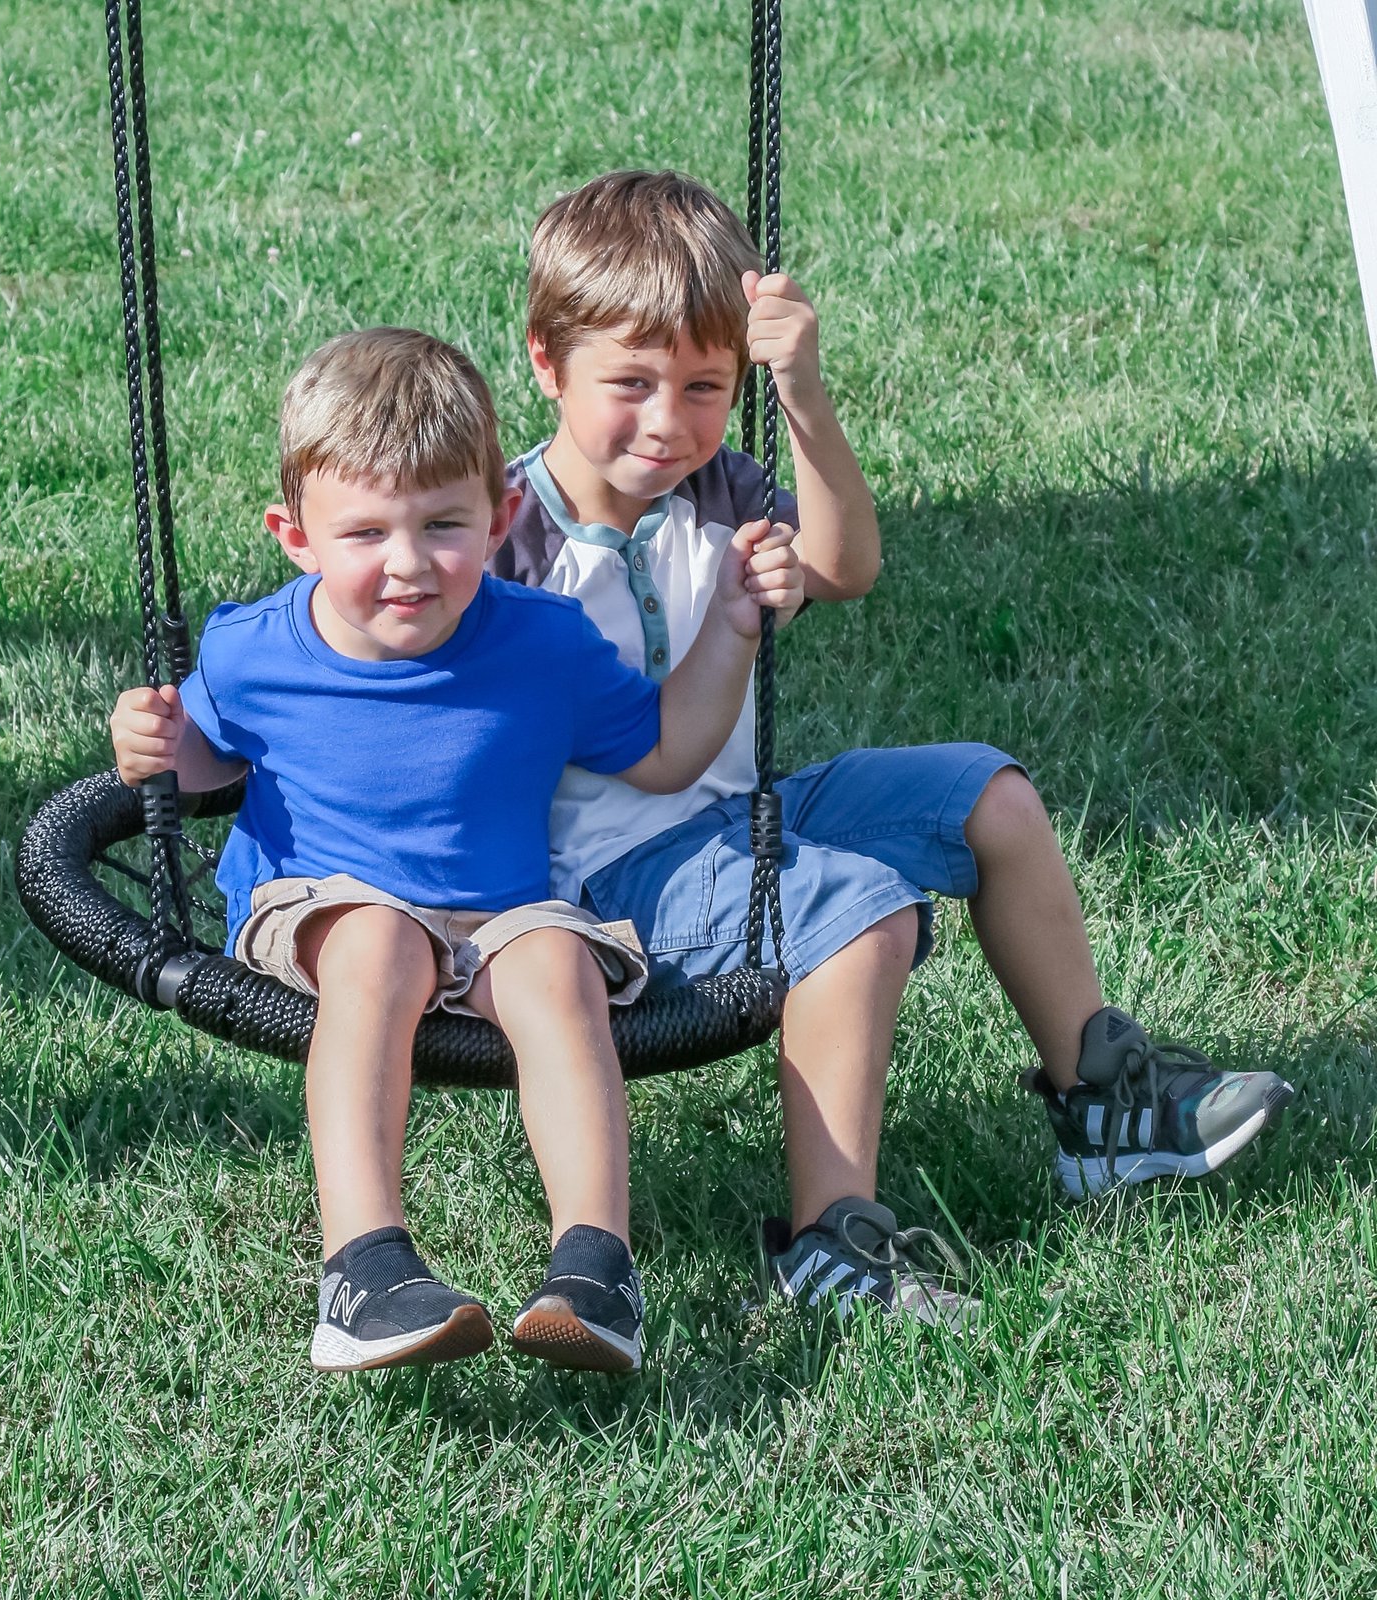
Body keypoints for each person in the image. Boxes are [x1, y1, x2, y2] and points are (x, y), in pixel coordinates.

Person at [492, 170, 1294, 1323]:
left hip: (731, 818)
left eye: (706, 387)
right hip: (604, 884)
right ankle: (831, 1241)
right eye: (631, 384)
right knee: (859, 907)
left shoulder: (718, 490)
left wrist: (801, 396)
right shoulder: (504, 539)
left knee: (987, 794)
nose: (667, 422)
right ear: (546, 362)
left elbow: (847, 564)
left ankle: (1100, 1106)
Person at [109, 327, 801, 1373]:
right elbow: (209, 757)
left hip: (498, 911)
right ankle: (364, 1267)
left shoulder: (544, 641)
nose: (407, 564)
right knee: (381, 945)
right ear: (295, 538)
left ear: (500, 516)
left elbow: (664, 753)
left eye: (443, 525)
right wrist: (160, 747)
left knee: (559, 964)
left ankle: (595, 1265)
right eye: (364, 533)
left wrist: (734, 626)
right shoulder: (254, 648)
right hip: (326, 901)